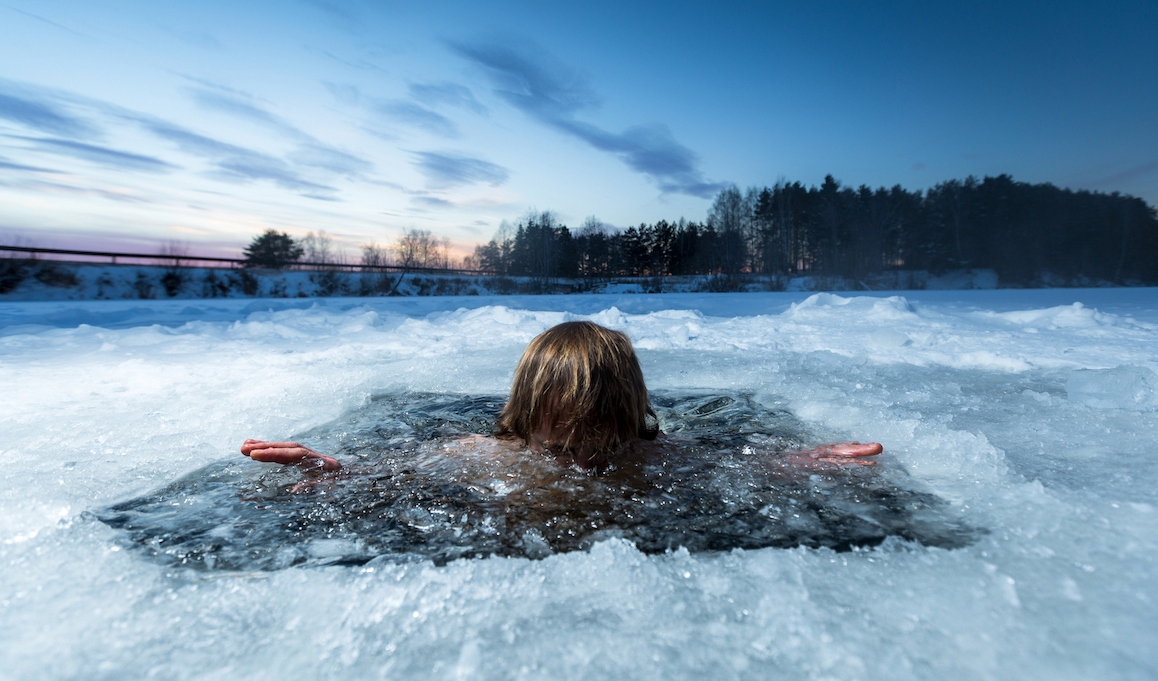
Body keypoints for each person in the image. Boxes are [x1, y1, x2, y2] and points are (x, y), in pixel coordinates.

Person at [241, 321, 882, 472]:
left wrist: (800, 463)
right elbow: (399, 472)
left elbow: (729, 465)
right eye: (563, 442)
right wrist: (339, 472)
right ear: (523, 421)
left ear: (632, 420)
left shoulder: (660, 453)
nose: (584, 461)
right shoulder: (490, 453)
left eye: (602, 440)